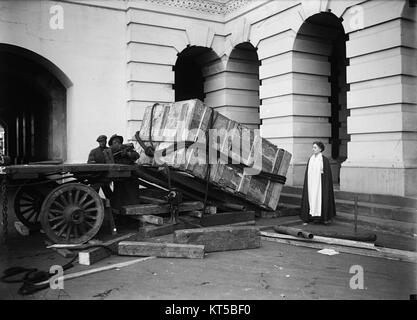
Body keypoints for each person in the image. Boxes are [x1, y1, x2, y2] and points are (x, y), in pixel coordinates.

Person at [300, 141, 336, 225]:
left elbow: (327, 175)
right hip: (311, 183)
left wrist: (325, 185)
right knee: (311, 198)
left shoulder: (324, 160)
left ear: (320, 149)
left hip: (320, 184)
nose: (313, 149)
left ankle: (323, 218)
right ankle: (310, 217)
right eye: (313, 147)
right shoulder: (311, 159)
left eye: (315, 147)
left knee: (320, 198)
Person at [108, 134, 140, 209]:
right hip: (119, 176)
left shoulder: (126, 148)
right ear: (112, 144)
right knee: (119, 195)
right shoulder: (110, 151)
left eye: (118, 142)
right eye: (114, 142)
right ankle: (119, 210)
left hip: (130, 176)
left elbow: (136, 155)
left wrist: (128, 153)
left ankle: (133, 209)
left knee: (131, 195)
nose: (117, 143)